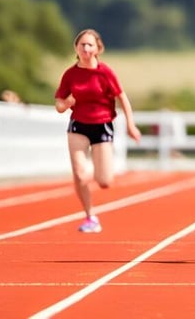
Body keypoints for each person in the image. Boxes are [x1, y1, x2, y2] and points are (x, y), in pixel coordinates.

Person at [54, 29, 141, 233]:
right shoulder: (70, 74)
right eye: (82, 44)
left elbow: (122, 97)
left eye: (89, 45)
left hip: (102, 124)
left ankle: (99, 164)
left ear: (97, 48)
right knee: (80, 174)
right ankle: (90, 216)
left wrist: (130, 124)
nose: (85, 48)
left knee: (104, 181)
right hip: (78, 125)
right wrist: (67, 102)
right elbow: (58, 105)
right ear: (76, 48)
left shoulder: (105, 72)